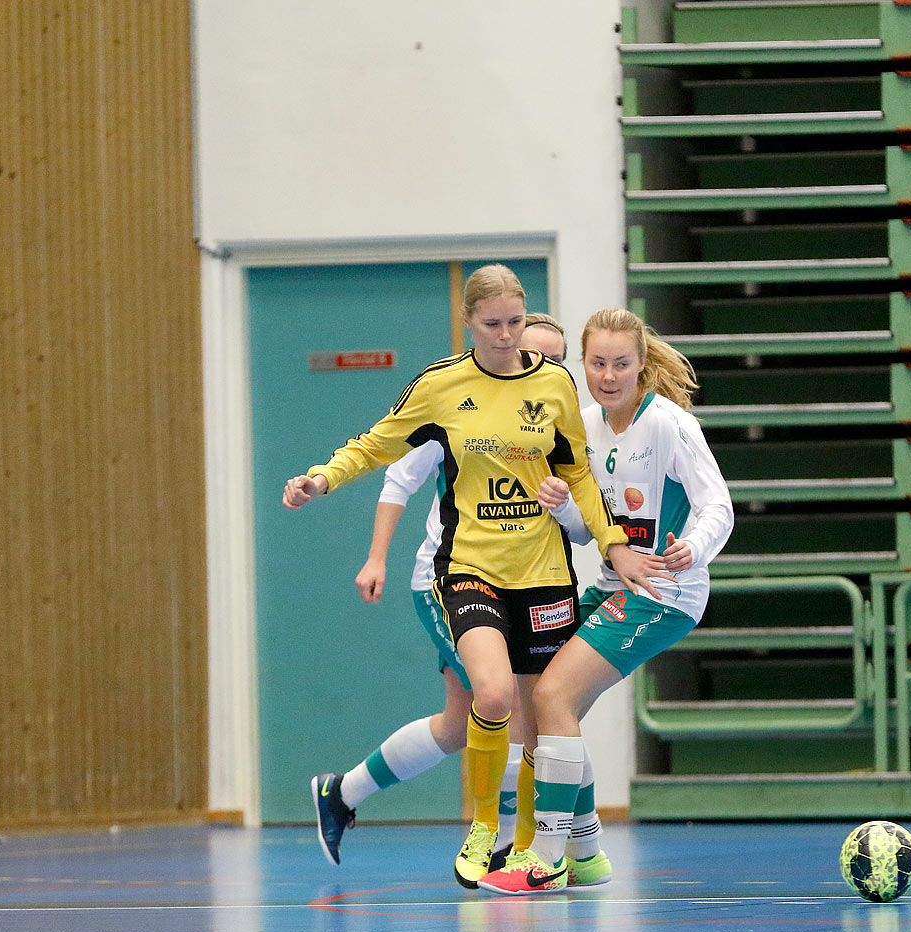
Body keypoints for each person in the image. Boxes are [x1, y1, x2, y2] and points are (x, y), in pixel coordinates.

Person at [283, 266, 664, 888]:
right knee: (493, 698)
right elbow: (379, 447)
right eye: (494, 325)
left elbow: (580, 477)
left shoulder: (557, 387)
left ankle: (537, 848)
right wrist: (321, 479)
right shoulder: (441, 386)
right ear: (469, 323)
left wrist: (614, 543)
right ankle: (486, 826)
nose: (508, 335)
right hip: (468, 569)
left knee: (538, 719)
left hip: (542, 576)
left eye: (516, 322)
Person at [478, 307, 735, 895]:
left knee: (552, 694)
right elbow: (585, 531)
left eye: (622, 364)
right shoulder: (584, 428)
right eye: (598, 363)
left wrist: (690, 550)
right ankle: (589, 852)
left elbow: (718, 506)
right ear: (584, 367)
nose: (610, 375)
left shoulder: (670, 425)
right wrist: (562, 504)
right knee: (544, 708)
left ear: (642, 365)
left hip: (664, 592)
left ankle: (545, 859)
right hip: (611, 586)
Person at [309, 315, 573, 869]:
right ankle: (505, 843)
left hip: (524, 584)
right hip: (450, 579)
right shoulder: (459, 403)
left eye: (554, 359)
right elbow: (398, 476)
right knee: (507, 705)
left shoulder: (556, 416)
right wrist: (376, 556)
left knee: (461, 724)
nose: (537, 366)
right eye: (529, 351)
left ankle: (342, 793)